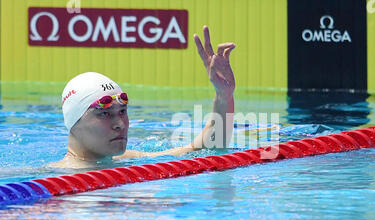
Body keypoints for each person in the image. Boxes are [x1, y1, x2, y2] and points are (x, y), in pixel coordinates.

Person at [49, 26, 236, 169]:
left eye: (122, 111)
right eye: (104, 114)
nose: (120, 124)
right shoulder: (52, 178)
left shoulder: (126, 159)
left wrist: (223, 96)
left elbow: (207, 148)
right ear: (73, 122)